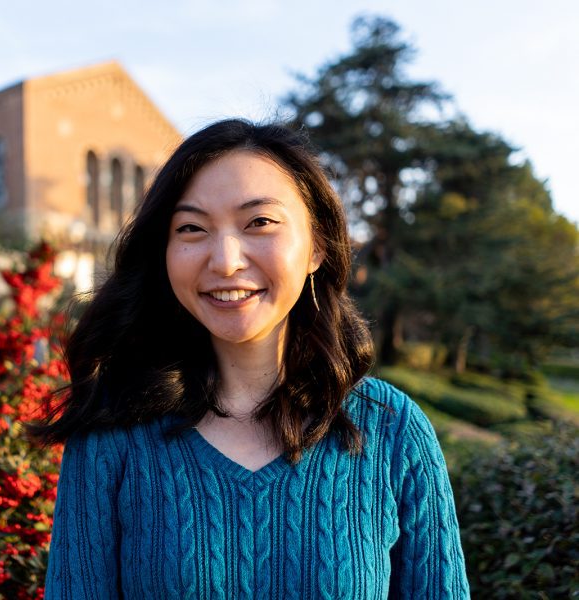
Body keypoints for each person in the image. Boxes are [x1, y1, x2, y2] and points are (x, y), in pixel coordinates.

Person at [30, 119, 470, 599]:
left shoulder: (393, 429)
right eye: (192, 228)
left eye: (259, 222)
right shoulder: (112, 433)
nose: (225, 260)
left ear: (317, 245)